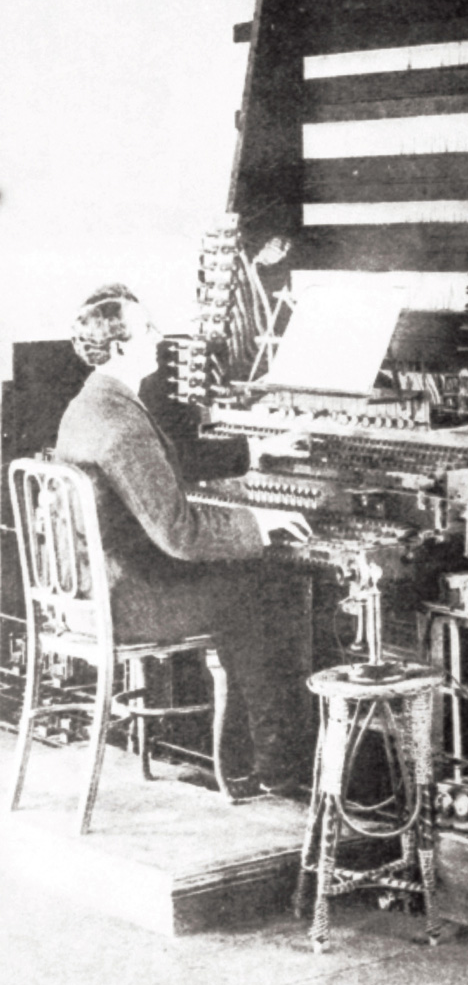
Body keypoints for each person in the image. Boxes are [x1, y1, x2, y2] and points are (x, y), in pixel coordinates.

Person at [55, 283, 311, 796]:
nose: (159, 337)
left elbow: (165, 467)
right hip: (128, 601)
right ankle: (278, 768)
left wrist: (255, 449)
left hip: (96, 588)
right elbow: (180, 534)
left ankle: (256, 758)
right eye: (148, 328)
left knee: (247, 577)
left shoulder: (94, 403)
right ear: (123, 346)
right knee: (260, 588)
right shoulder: (120, 424)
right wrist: (261, 523)